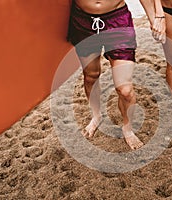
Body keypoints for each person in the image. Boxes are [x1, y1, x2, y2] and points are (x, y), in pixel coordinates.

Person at [67, 0, 163, 149]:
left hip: (118, 21)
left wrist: (155, 18)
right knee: (91, 76)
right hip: (82, 21)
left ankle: (128, 128)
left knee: (125, 90)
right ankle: (96, 115)